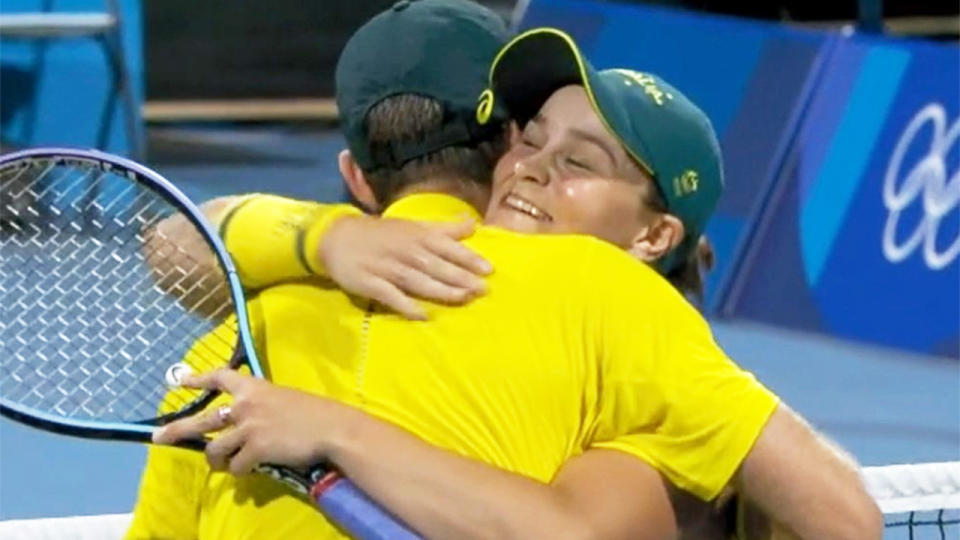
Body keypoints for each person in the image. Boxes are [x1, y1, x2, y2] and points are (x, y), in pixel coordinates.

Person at [131, 6, 881, 540]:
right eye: (530, 137)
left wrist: (333, 430)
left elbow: (845, 519)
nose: (535, 168)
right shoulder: (267, 312)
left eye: (581, 162)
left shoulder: (633, 344)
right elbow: (177, 242)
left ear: (655, 234)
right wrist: (325, 239)